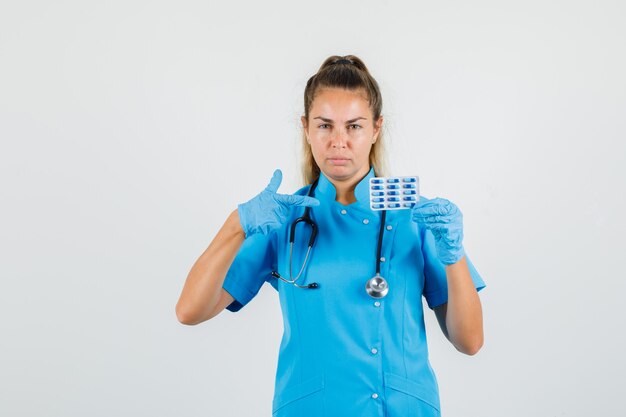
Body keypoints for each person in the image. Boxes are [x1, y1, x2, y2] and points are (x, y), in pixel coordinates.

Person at [176, 55, 486, 417]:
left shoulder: (417, 216)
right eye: (325, 126)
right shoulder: (282, 218)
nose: (339, 141)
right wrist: (237, 223)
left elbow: (470, 342)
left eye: (354, 126)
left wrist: (453, 254)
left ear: (376, 129)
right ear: (306, 128)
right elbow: (189, 311)